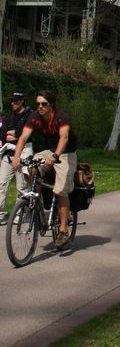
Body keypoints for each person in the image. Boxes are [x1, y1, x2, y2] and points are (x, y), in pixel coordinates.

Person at [12, 89, 79, 249]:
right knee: (33, 167)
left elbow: (64, 138)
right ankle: (36, 202)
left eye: (44, 104)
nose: (40, 107)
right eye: (37, 104)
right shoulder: (35, 117)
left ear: (52, 105)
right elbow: (22, 137)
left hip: (66, 153)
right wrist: (16, 157)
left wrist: (55, 156)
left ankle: (63, 230)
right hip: (49, 151)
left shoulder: (61, 116)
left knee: (60, 190)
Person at [0, 92, 33, 225]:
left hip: (24, 152)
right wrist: (15, 134)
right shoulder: (9, 116)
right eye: (12, 101)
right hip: (8, 152)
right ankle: (1, 213)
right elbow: (2, 134)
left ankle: (21, 213)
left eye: (16, 101)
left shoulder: (29, 115)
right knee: (2, 183)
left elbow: (24, 133)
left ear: (22, 101)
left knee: (21, 186)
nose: (13, 103)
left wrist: (16, 134)